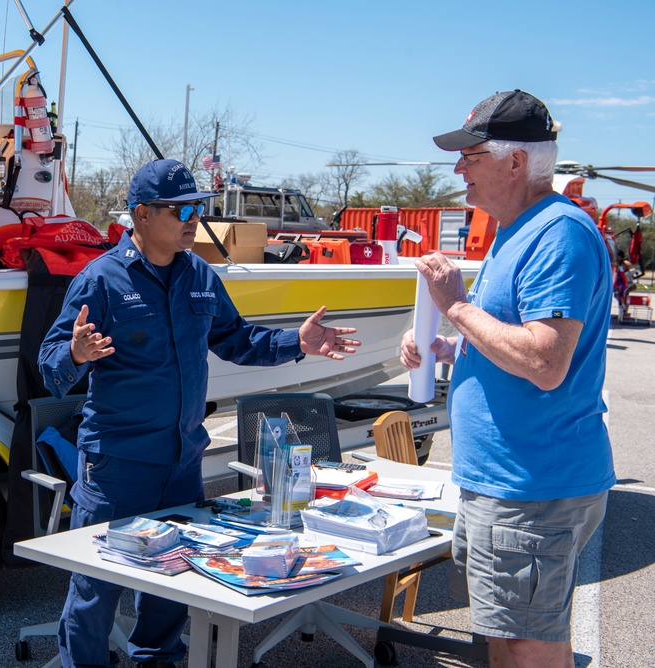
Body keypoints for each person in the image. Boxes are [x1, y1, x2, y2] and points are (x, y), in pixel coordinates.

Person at [39, 158, 361, 668]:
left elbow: (238, 339)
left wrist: (296, 343)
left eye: (198, 208)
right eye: (181, 209)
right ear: (142, 215)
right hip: (118, 466)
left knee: (171, 576)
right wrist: (75, 354)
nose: (193, 218)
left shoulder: (199, 276)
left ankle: (156, 659)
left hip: (182, 463)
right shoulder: (99, 280)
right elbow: (49, 366)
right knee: (97, 589)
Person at [400, 90, 615, 668]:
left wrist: (456, 307)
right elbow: (514, 340)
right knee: (509, 635)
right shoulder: (518, 229)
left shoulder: (557, 234)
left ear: (515, 162)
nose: (458, 167)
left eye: (472, 154)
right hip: (509, 482)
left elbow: (545, 363)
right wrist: (449, 348)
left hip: (531, 486)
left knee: (526, 646)